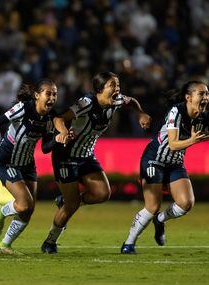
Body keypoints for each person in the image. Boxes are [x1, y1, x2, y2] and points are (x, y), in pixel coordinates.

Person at [41, 71, 151, 254]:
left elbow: (131, 101)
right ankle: (50, 241)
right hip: (65, 156)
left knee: (102, 193)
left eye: (118, 85)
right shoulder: (86, 103)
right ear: (99, 89)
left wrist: (140, 114)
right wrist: (61, 132)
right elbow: (59, 118)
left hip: (86, 155)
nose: (117, 89)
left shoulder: (116, 100)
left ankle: (67, 201)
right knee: (71, 205)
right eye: (112, 86)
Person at [121, 81, 209, 254]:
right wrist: (193, 140)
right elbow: (174, 143)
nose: (205, 97)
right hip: (155, 159)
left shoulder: (203, 117)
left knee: (186, 203)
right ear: (188, 97)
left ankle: (160, 220)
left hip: (175, 163)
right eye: (202, 94)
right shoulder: (177, 111)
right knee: (152, 206)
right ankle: (129, 244)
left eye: (207, 94)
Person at [0, 79, 71, 255]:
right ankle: (1, 211)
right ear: (37, 95)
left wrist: (58, 140)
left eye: (54, 94)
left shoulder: (50, 118)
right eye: (48, 93)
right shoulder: (23, 108)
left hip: (27, 164)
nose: (52, 97)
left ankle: (5, 245)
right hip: (7, 161)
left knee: (29, 210)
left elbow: (44, 148)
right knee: (24, 204)